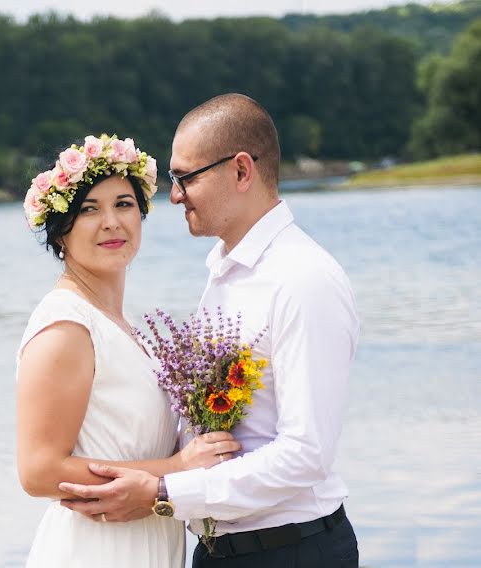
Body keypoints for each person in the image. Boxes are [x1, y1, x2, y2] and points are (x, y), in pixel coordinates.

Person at [58, 95, 361, 567]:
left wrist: (163, 491)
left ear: (242, 171)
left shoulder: (303, 279)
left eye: (187, 178)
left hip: (290, 551)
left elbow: (306, 455)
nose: (175, 195)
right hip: (220, 551)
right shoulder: (227, 272)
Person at [16, 135, 241, 567]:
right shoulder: (65, 325)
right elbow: (38, 471)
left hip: (147, 541)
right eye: (88, 209)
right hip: (96, 549)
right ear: (60, 230)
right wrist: (175, 470)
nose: (111, 222)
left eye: (123, 204)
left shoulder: (122, 325)